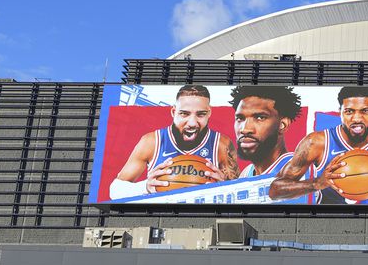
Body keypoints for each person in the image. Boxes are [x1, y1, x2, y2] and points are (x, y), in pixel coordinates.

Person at [269, 85, 368, 204]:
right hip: (326, 223)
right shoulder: (316, 143)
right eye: (349, 111)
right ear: (340, 112)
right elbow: (275, 190)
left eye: (364, 111)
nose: (357, 119)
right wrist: (316, 183)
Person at [109, 84, 237, 198]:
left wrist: (225, 188)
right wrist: (145, 187)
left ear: (209, 113)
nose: (192, 123)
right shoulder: (152, 141)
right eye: (184, 114)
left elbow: (242, 193)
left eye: (200, 114)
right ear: (173, 112)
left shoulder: (221, 144)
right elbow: (115, 190)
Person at [229, 84, 302, 178]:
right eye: (240, 118)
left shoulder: (298, 170)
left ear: (282, 124)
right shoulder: (246, 174)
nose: (245, 129)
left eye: (260, 118)